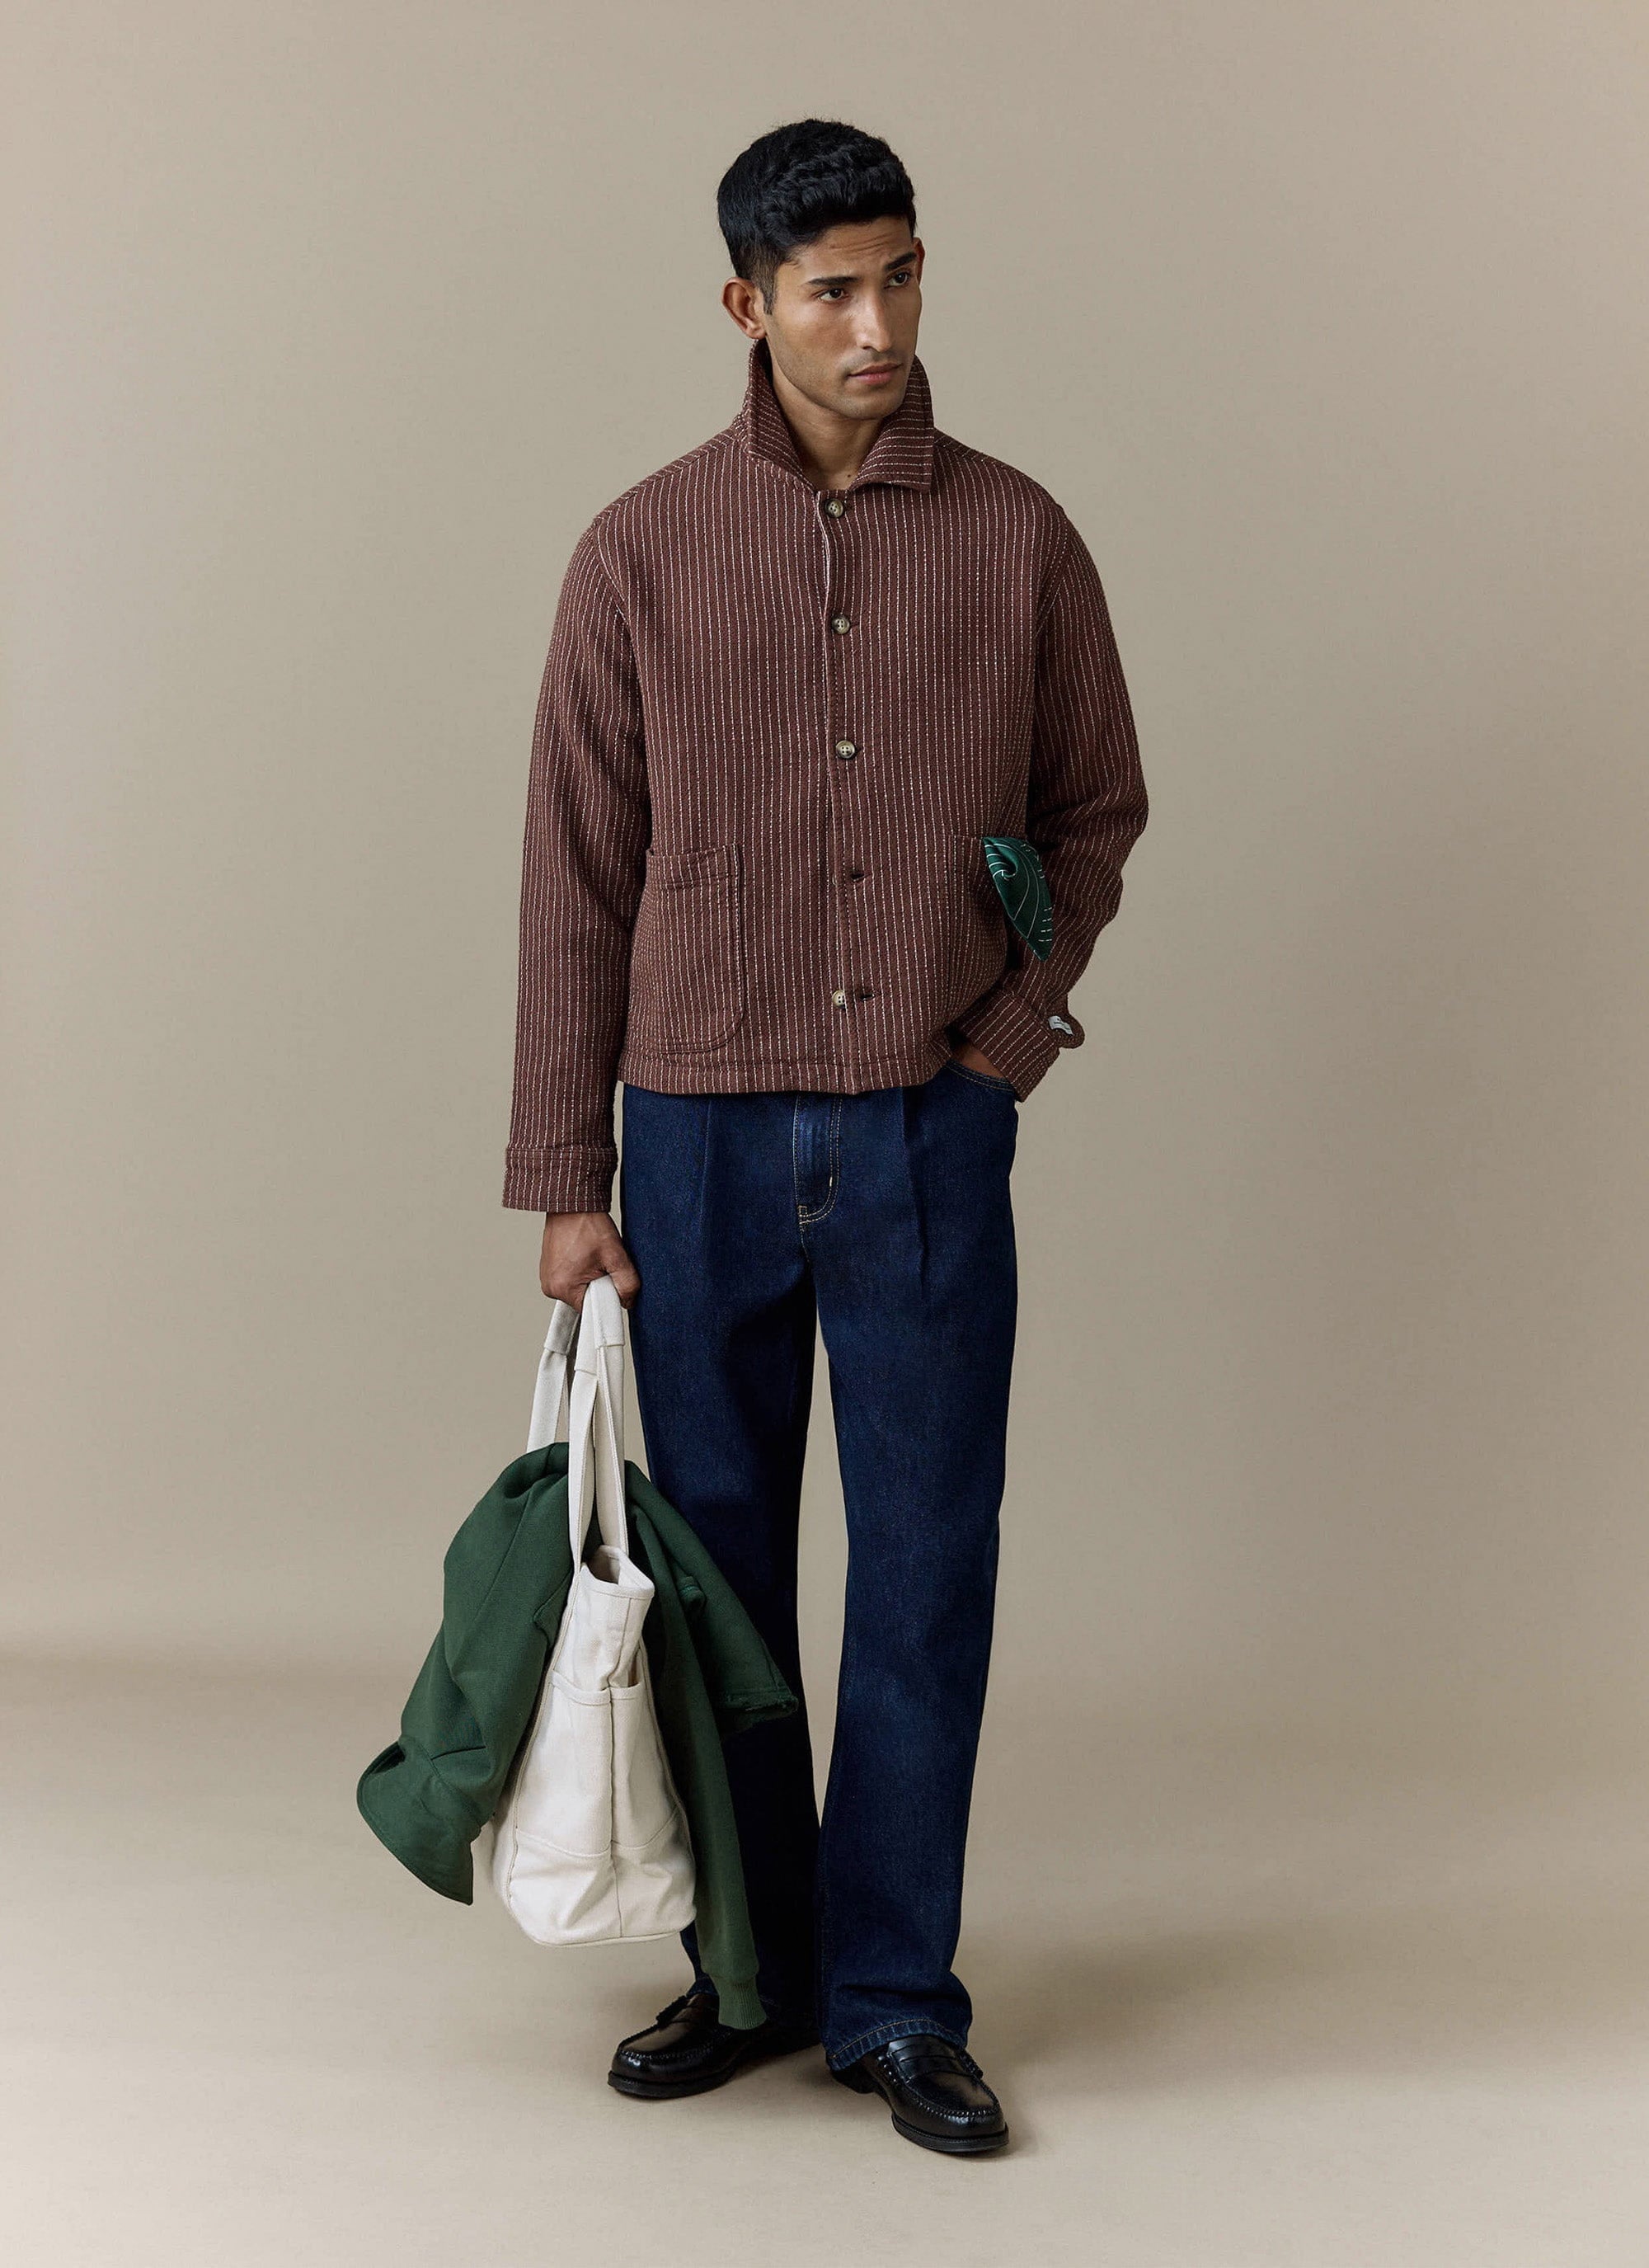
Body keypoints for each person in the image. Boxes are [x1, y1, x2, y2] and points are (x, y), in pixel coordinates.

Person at [502, 117, 1147, 2156]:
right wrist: (568, 1178)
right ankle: (749, 1971)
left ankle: (891, 2000)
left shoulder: (1021, 539)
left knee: (928, 1570)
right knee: (718, 1579)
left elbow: (1096, 812)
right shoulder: (639, 551)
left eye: (900, 274)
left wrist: (1004, 1048)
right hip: (690, 1138)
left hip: (926, 1139)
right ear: (747, 305)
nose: (877, 324)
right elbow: (574, 875)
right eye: (829, 290)